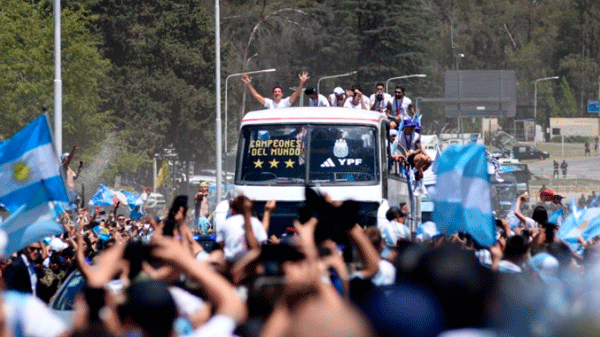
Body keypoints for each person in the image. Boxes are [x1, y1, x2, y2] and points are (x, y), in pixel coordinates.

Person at [241, 71, 309, 109]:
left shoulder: (285, 102)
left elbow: (295, 94)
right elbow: (256, 95)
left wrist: (301, 83)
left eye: (279, 92)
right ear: (272, 95)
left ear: (282, 94)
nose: (277, 93)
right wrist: (249, 85)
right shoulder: (269, 103)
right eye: (275, 92)